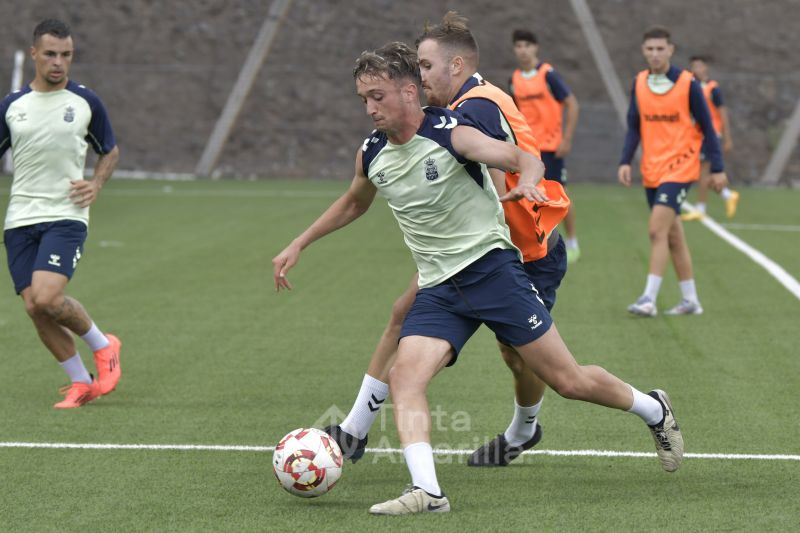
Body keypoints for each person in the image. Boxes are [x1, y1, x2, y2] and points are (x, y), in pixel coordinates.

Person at [273, 41, 683, 516]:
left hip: (493, 273)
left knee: (568, 381)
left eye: (378, 96)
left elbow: (521, 157)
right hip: (439, 288)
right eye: (363, 99)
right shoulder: (372, 152)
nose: (369, 108)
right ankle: (428, 492)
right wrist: (299, 243)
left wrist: (528, 177)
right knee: (406, 377)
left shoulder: (452, 134)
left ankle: (654, 409)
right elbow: (354, 203)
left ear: (409, 93)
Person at [324, 11, 571, 470]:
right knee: (404, 313)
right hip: (474, 251)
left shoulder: (474, 107)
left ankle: (524, 427)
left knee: (529, 361)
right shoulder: (460, 105)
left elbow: (498, 168)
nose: (419, 75)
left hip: (520, 251)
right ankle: (355, 430)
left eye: (424, 65)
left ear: (456, 67)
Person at [1, 19, 121, 409]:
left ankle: (105, 347)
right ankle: (80, 382)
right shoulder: (12, 107)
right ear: (34, 53)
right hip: (20, 218)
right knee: (34, 306)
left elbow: (110, 150)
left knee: (49, 297)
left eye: (66, 55)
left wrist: (96, 184)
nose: (58, 62)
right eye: (50, 54)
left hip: (66, 214)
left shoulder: (86, 102)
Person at [618, 26, 728, 317]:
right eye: (650, 49)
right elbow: (634, 126)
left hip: (681, 167)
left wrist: (717, 167)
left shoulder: (688, 84)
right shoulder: (639, 82)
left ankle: (648, 299)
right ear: (644, 51)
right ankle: (691, 300)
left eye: (660, 48)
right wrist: (625, 160)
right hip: (652, 169)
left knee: (656, 230)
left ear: (671, 50)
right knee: (673, 236)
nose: (655, 54)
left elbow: (708, 128)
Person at [510, 29, 581, 263]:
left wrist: (567, 138)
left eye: (526, 45)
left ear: (535, 48)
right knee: (530, 195)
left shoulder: (548, 74)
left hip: (551, 146)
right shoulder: (515, 79)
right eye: (518, 46)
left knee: (560, 194)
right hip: (529, 149)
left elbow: (572, 103)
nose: (523, 50)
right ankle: (537, 241)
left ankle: (572, 242)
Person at [682, 55, 739, 220]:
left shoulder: (713, 88)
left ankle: (701, 208)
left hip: (710, 134)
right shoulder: (691, 87)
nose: (697, 69)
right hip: (695, 135)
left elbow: (723, 113)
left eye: (700, 66)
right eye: (694, 66)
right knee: (699, 173)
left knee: (703, 172)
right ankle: (727, 195)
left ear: (706, 68)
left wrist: (727, 138)